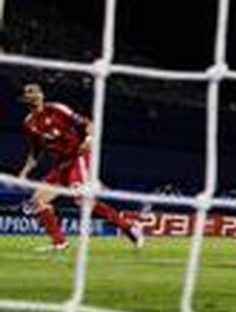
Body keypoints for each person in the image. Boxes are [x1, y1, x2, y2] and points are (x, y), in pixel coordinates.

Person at [16, 83, 142, 251]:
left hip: (78, 157)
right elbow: (35, 151)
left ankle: (129, 228)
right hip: (61, 164)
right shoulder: (29, 123)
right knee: (38, 201)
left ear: (42, 95)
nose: (34, 96)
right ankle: (59, 242)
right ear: (25, 99)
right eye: (29, 93)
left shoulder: (57, 109)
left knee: (82, 200)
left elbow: (88, 124)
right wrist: (24, 173)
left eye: (36, 92)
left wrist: (88, 140)